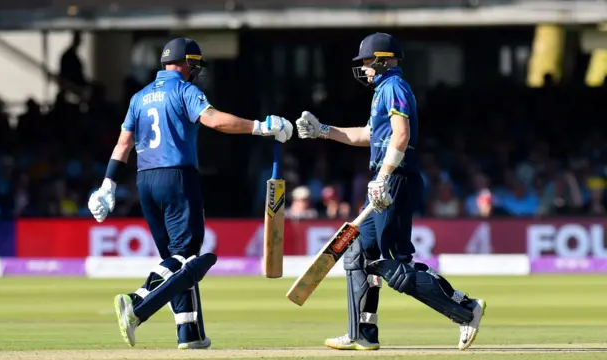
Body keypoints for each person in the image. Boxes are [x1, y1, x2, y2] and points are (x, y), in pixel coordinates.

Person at [87, 38, 293, 349]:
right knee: (185, 257)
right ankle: (137, 301)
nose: (196, 71)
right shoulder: (185, 91)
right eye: (194, 65)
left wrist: (108, 185)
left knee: (177, 263)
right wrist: (261, 126)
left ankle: (190, 334)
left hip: (145, 181)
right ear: (185, 63)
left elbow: (123, 145)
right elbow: (215, 121)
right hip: (177, 177)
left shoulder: (139, 98)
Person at [295, 32, 485, 351]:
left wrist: (383, 176)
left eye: (367, 62)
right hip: (388, 177)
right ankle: (362, 332)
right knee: (360, 256)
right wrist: (322, 131)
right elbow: (369, 135)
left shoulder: (395, 86)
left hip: (395, 178)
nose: (364, 68)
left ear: (384, 60)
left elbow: (401, 135)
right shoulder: (383, 90)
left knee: (396, 265)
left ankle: (466, 310)